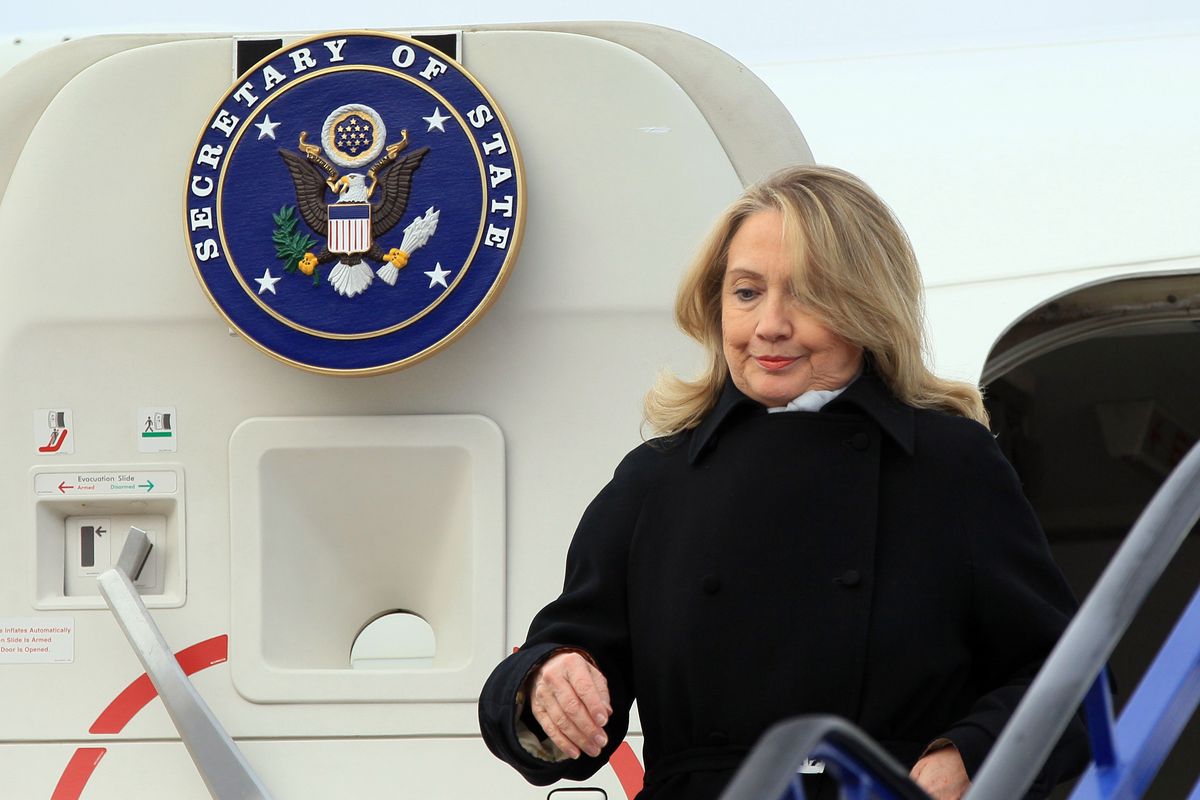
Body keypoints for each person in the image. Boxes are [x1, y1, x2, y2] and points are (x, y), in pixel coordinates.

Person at [478, 165, 1088, 800]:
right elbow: (551, 674)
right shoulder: (655, 480)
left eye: (806, 295)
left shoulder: (950, 466)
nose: (770, 324)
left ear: (866, 305)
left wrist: (961, 758)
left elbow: (1067, 682)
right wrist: (545, 685)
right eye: (746, 293)